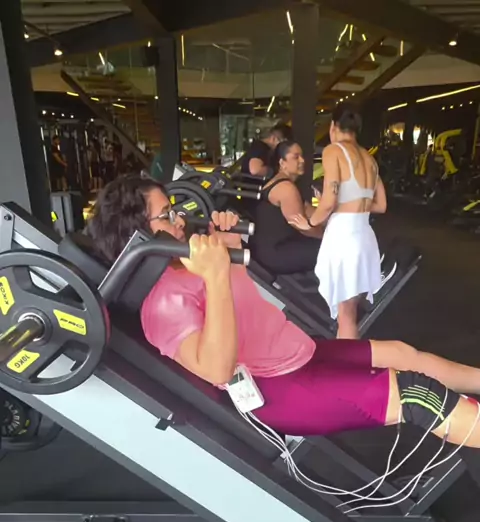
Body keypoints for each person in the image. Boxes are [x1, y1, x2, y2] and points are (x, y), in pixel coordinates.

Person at [86, 175, 480, 451]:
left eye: (174, 210)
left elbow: (239, 294)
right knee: (415, 395)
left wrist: (227, 240)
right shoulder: (160, 306)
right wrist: (216, 275)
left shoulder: (189, 258)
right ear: (138, 232)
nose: (179, 220)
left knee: (401, 353)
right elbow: (217, 369)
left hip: (301, 352)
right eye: (166, 215)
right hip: (279, 389)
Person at [290, 105, 387, 339]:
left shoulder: (333, 151)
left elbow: (328, 201)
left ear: (333, 126)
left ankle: (349, 360)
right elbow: (381, 205)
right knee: (350, 312)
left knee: (346, 316)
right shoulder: (369, 159)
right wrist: (354, 205)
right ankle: (350, 356)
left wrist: (310, 223)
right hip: (364, 236)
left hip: (344, 238)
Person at [250, 140, 323, 275]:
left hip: (270, 249)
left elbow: (312, 213)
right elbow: (301, 227)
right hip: (275, 253)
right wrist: (326, 236)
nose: (302, 160)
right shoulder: (286, 188)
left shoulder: (285, 184)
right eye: (296, 157)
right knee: (333, 250)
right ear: (282, 163)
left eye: (302, 156)